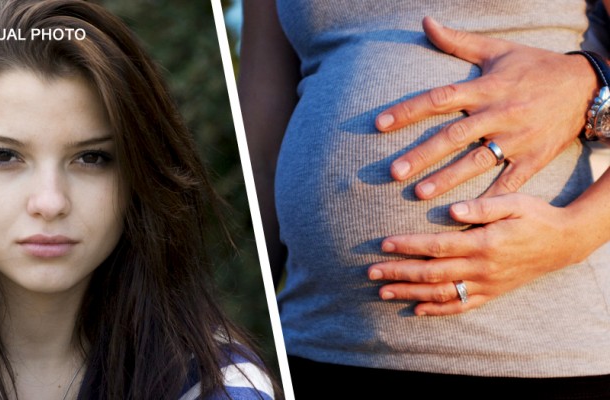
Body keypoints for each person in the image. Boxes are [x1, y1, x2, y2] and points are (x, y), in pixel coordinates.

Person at [0, 1, 279, 399]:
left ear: (138, 179)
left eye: (92, 158)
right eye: (3, 156)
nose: (50, 202)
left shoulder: (220, 383)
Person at [240, 0, 610, 397]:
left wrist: (575, 234)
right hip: (316, 345)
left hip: (536, 354)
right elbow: (261, 152)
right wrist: (240, 331)